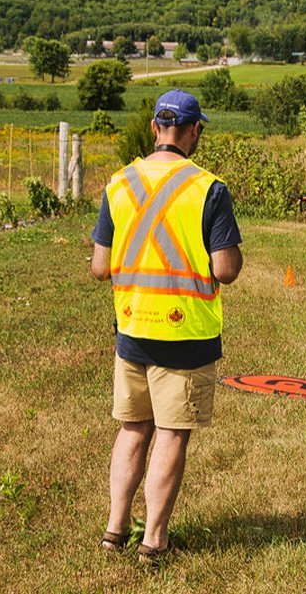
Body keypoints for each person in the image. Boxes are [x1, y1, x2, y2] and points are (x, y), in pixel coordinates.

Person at [90, 89, 243, 564]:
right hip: (185, 336)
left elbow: (99, 267)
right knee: (172, 434)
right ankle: (154, 541)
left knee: (132, 429)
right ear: (194, 131)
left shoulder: (119, 184)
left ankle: (115, 529)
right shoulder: (208, 189)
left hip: (132, 329)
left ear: (155, 128)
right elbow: (225, 269)